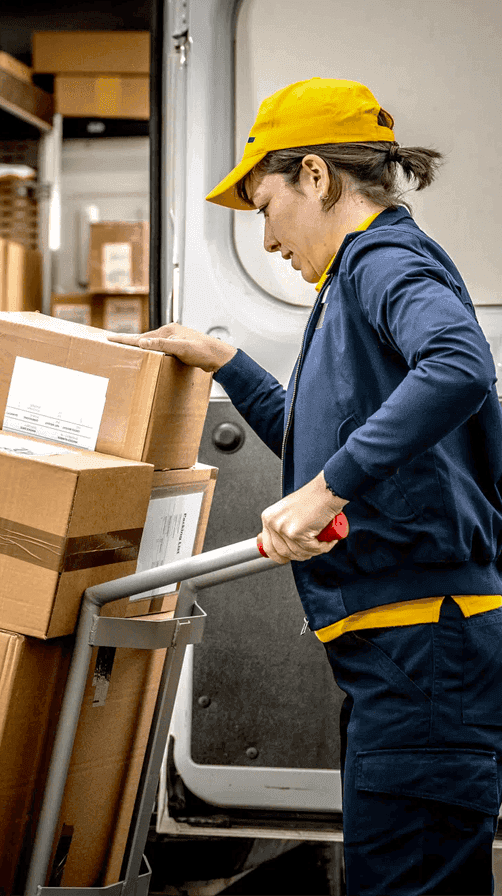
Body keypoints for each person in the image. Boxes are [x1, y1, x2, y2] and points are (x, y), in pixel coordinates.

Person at [111, 77, 502, 895]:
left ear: (316, 177)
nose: (266, 240)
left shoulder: (382, 260)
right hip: (399, 652)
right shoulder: (352, 283)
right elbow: (318, 430)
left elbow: (461, 363)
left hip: (422, 652)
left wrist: (327, 491)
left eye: (263, 207)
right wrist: (227, 362)